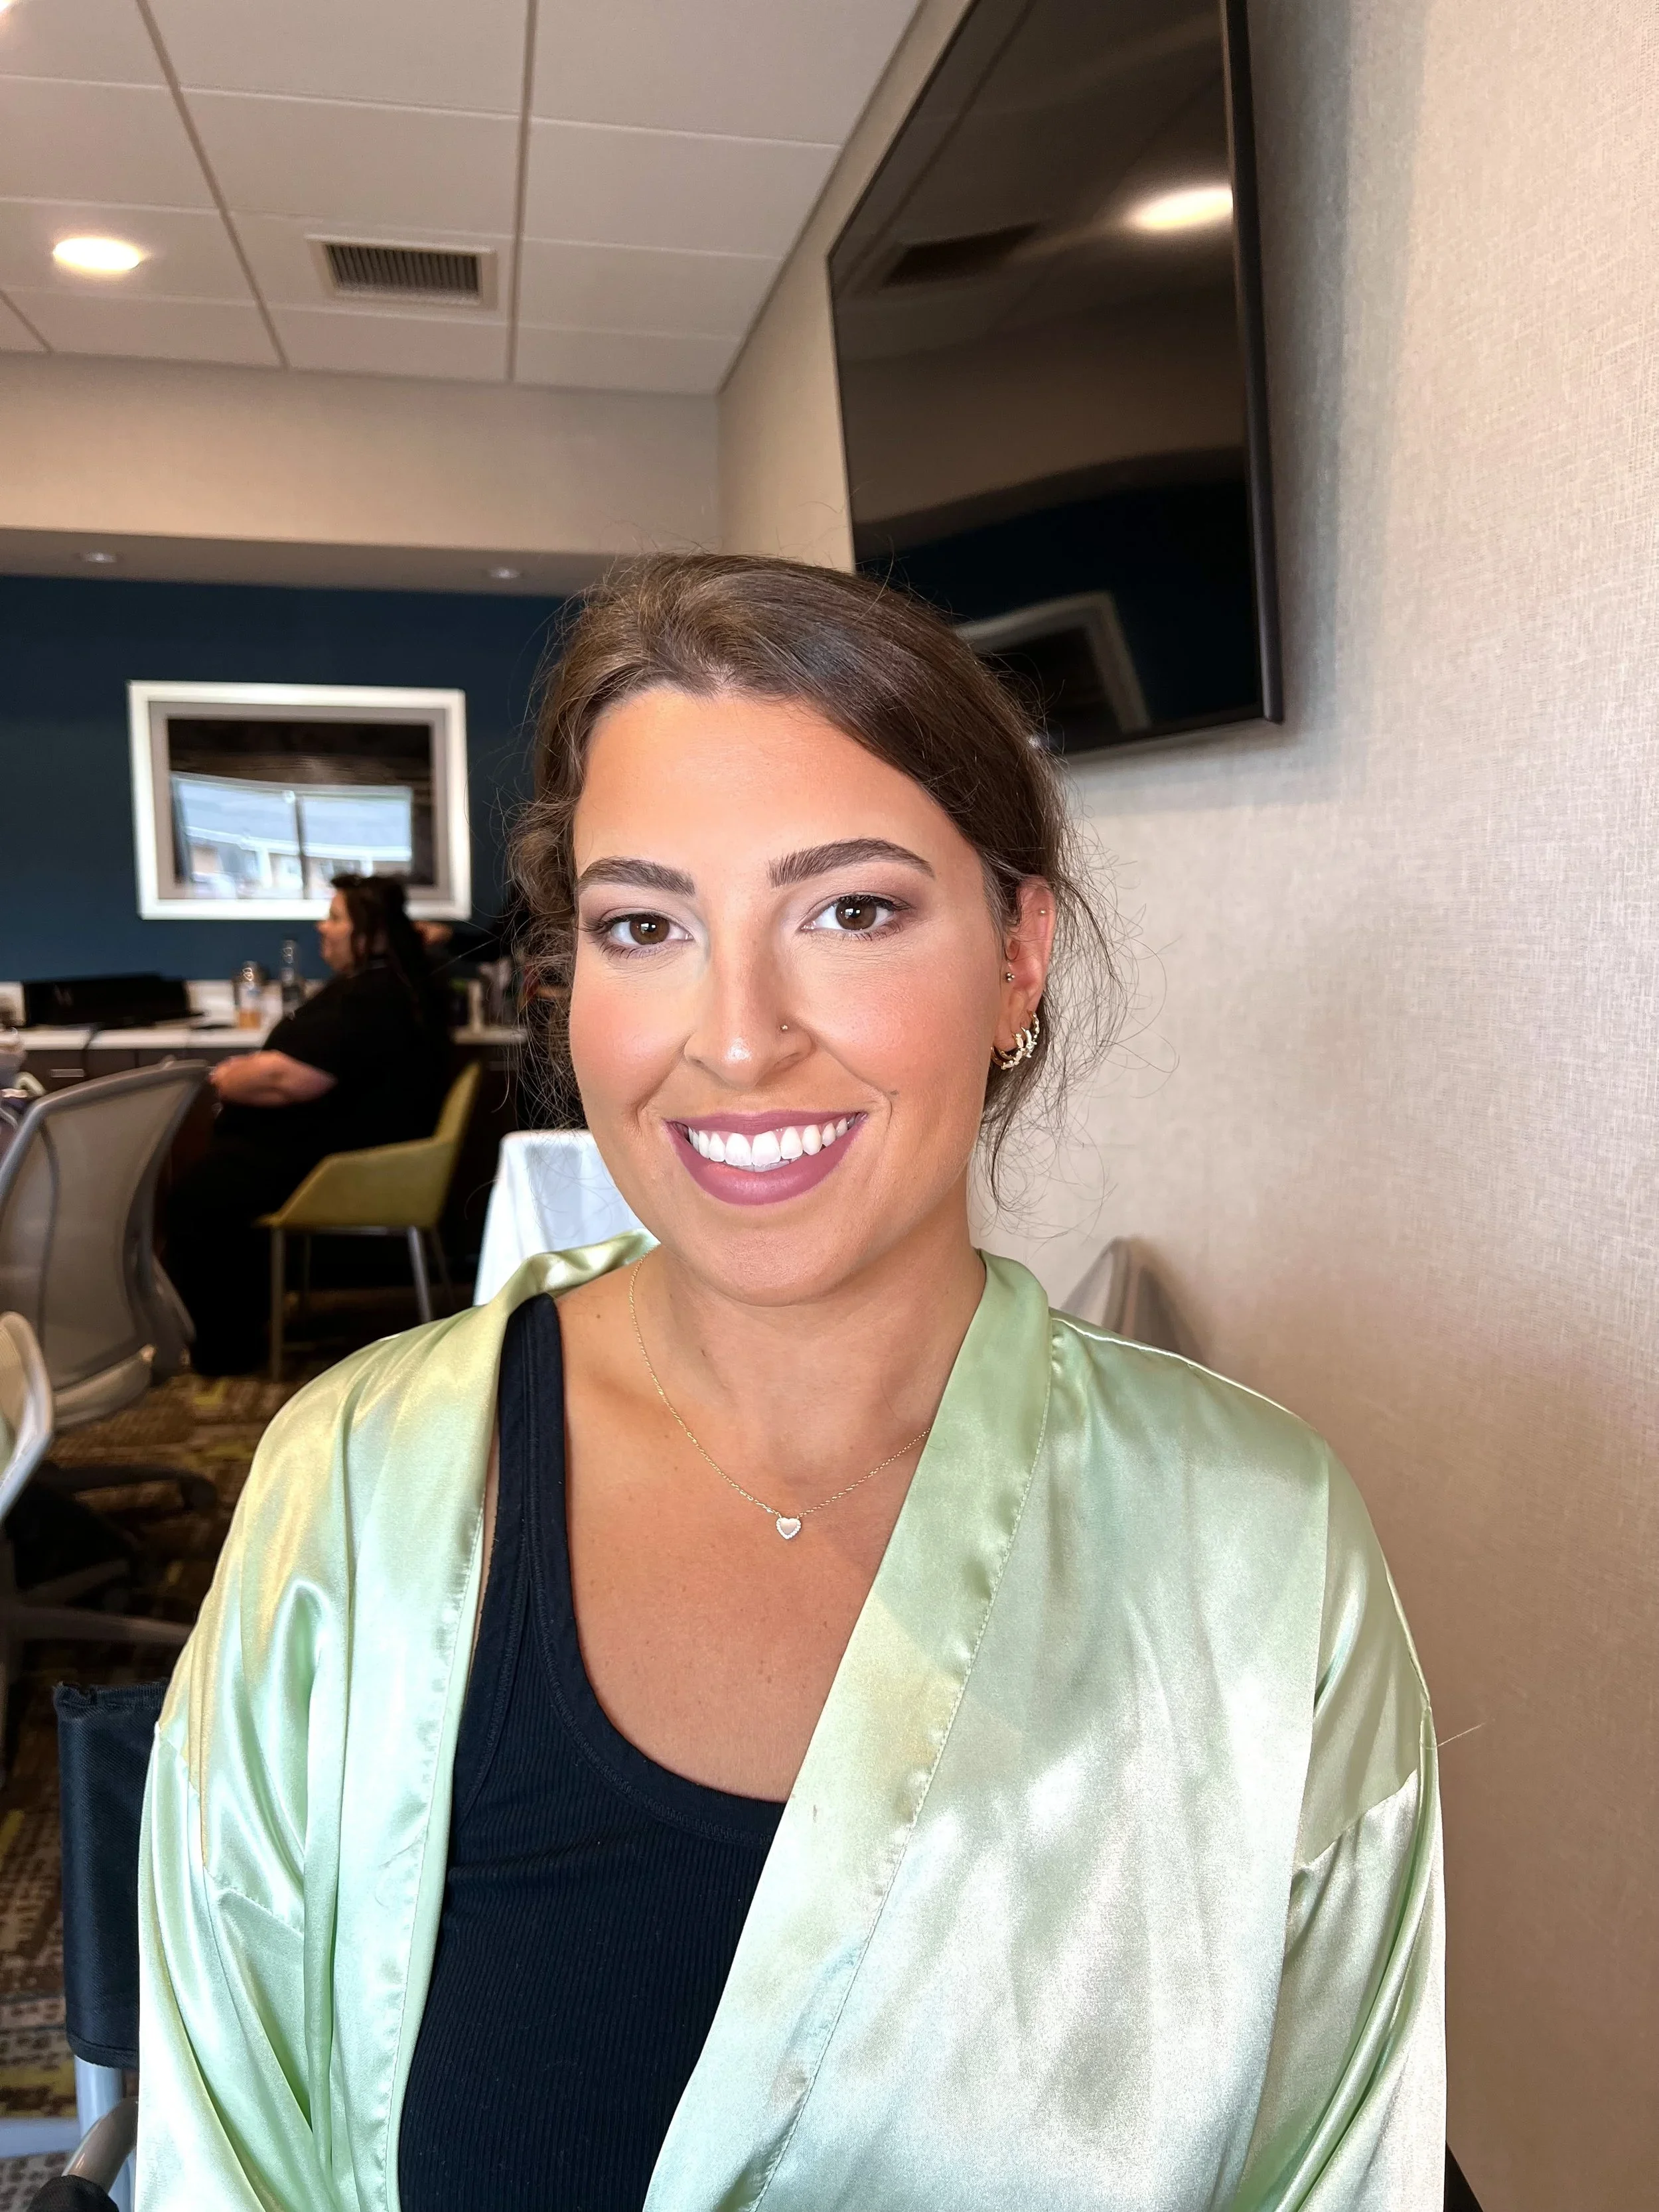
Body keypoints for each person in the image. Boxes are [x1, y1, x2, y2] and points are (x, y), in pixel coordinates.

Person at [138, 557, 1443, 2211]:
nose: (735, 1035)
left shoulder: (1256, 1547)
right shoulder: (357, 1485)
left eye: (850, 909)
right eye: (646, 925)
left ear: (1018, 951)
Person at [164, 873, 453, 1374]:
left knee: (198, 1200)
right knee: (215, 1190)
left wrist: (232, 1077)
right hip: (341, 1150)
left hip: (342, 1162)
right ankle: (235, 1327)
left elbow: (290, 1080)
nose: (324, 927)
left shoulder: (371, 997)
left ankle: (224, 1349)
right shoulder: (393, 985)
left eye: (337, 918)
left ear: (374, 932)